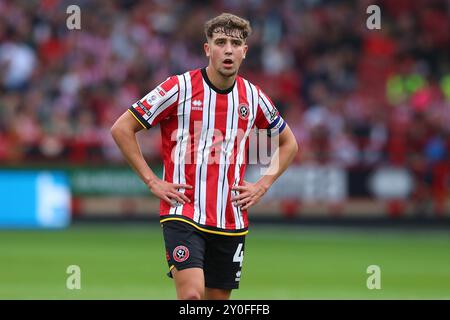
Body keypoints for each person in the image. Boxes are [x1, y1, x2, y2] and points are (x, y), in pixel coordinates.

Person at [111, 13, 298, 300]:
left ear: (244, 52)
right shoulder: (179, 87)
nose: (228, 49)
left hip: (231, 219)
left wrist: (263, 184)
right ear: (207, 49)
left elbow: (289, 143)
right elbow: (122, 128)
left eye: (235, 43)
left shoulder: (254, 97)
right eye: (220, 42)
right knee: (192, 298)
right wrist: (152, 181)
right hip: (183, 213)